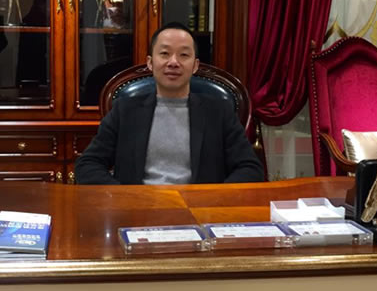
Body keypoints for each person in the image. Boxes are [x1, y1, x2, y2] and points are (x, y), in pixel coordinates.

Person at [75, 22, 264, 185]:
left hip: (199, 209)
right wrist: (125, 197)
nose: (173, 62)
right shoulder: (125, 110)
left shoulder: (218, 111)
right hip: (139, 209)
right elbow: (88, 165)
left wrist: (212, 199)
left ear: (195, 65)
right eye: (164, 53)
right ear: (150, 63)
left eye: (184, 55)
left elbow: (250, 169)